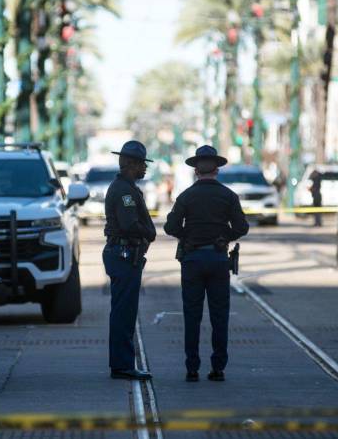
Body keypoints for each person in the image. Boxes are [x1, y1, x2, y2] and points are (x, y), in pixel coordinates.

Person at [164, 145, 249, 382]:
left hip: (192, 260)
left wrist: (187, 235)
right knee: (219, 316)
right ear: (217, 170)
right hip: (219, 260)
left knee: (192, 316)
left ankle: (192, 368)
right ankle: (218, 368)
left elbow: (170, 227)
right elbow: (242, 227)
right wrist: (226, 237)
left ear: (195, 171)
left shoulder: (186, 196)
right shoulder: (228, 196)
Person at [103, 140, 156, 381]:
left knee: (124, 311)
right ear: (131, 165)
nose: (144, 169)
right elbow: (128, 224)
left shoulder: (127, 187)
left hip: (125, 256)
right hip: (123, 256)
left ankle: (121, 363)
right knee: (124, 313)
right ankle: (123, 365)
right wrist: (148, 232)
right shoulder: (124, 190)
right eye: (141, 164)